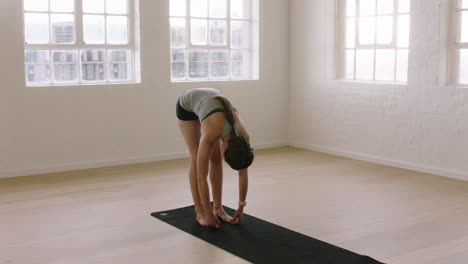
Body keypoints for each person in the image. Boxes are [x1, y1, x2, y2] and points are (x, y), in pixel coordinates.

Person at [176, 88, 254, 228]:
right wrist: (207, 213)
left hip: (212, 105)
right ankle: (199, 212)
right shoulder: (211, 133)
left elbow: (243, 172)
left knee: (216, 158)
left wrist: (241, 207)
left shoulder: (244, 138)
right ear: (226, 148)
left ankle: (218, 208)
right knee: (196, 158)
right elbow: (202, 177)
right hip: (188, 105)